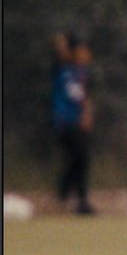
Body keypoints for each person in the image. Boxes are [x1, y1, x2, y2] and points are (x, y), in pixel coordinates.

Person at [49, 33, 93, 215]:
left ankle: (73, 195)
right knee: (81, 156)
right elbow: (75, 94)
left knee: (81, 158)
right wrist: (63, 47)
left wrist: (87, 113)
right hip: (63, 123)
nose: (87, 53)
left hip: (76, 123)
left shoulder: (81, 71)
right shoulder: (63, 68)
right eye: (82, 49)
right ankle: (70, 192)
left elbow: (84, 97)